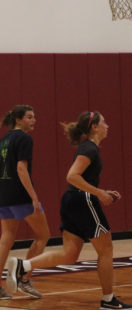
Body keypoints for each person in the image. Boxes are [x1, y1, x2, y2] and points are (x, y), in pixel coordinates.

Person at [7, 111, 132, 310]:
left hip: (73, 200)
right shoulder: (90, 148)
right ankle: (108, 300)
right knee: (106, 250)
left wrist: (102, 191)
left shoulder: (89, 148)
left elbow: (81, 179)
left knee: (70, 254)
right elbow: (72, 176)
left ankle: (24, 266)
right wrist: (98, 193)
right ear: (94, 127)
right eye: (104, 122)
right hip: (83, 201)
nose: (108, 126)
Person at [0, 105, 50, 301]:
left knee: (6, 239)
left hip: (4, 197)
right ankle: (25, 279)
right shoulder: (25, 139)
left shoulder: (3, 140)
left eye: (34, 117)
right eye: (30, 117)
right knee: (43, 235)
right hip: (20, 195)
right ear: (18, 120)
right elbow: (21, 169)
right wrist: (33, 197)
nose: (34, 120)